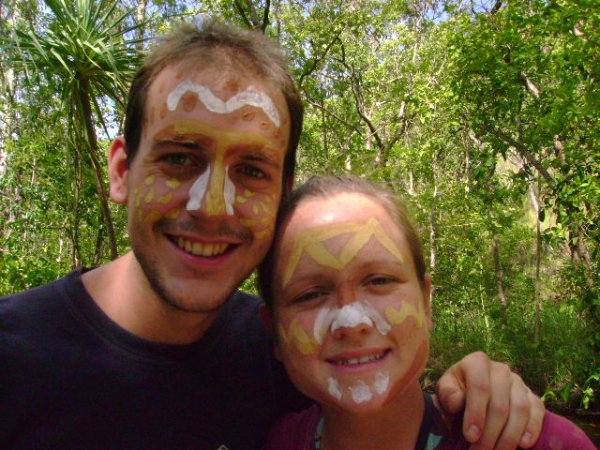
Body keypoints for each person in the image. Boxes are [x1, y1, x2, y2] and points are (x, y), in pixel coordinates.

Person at [0, 18, 543, 449]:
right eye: (180, 158)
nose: (212, 206)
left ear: (282, 195)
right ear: (122, 170)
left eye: (252, 170)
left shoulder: (285, 352)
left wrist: (481, 388)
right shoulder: (14, 357)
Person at [259, 176, 595, 450]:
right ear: (273, 330)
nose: (352, 321)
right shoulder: (277, 440)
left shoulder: (536, 442)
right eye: (311, 295)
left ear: (426, 300)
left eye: (379, 280)